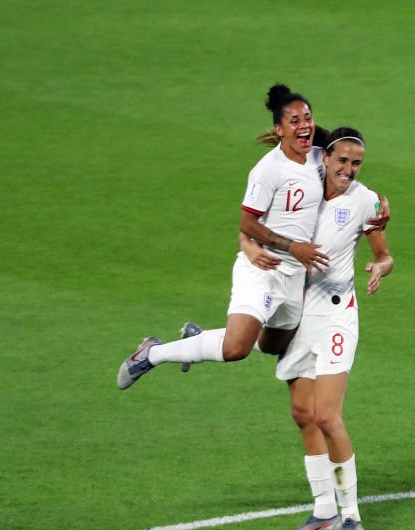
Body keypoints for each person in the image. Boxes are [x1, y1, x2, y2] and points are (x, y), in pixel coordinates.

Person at [117, 84, 333, 389]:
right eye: (294, 120)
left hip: (297, 271)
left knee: (273, 344)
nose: (304, 125)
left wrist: (378, 203)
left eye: (307, 118)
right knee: (235, 349)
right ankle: (153, 353)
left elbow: (349, 175)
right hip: (264, 267)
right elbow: (247, 222)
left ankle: (200, 340)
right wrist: (285, 246)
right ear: (279, 129)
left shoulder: (320, 159)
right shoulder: (268, 170)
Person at [242, 127, 392, 530]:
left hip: (336, 314)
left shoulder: (365, 200)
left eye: (356, 163)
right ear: (325, 158)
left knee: (327, 415)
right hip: (295, 312)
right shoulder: (300, 184)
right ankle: (324, 511)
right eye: (343, 161)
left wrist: (382, 266)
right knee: (302, 413)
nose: (349, 169)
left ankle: (352, 518)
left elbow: (384, 253)